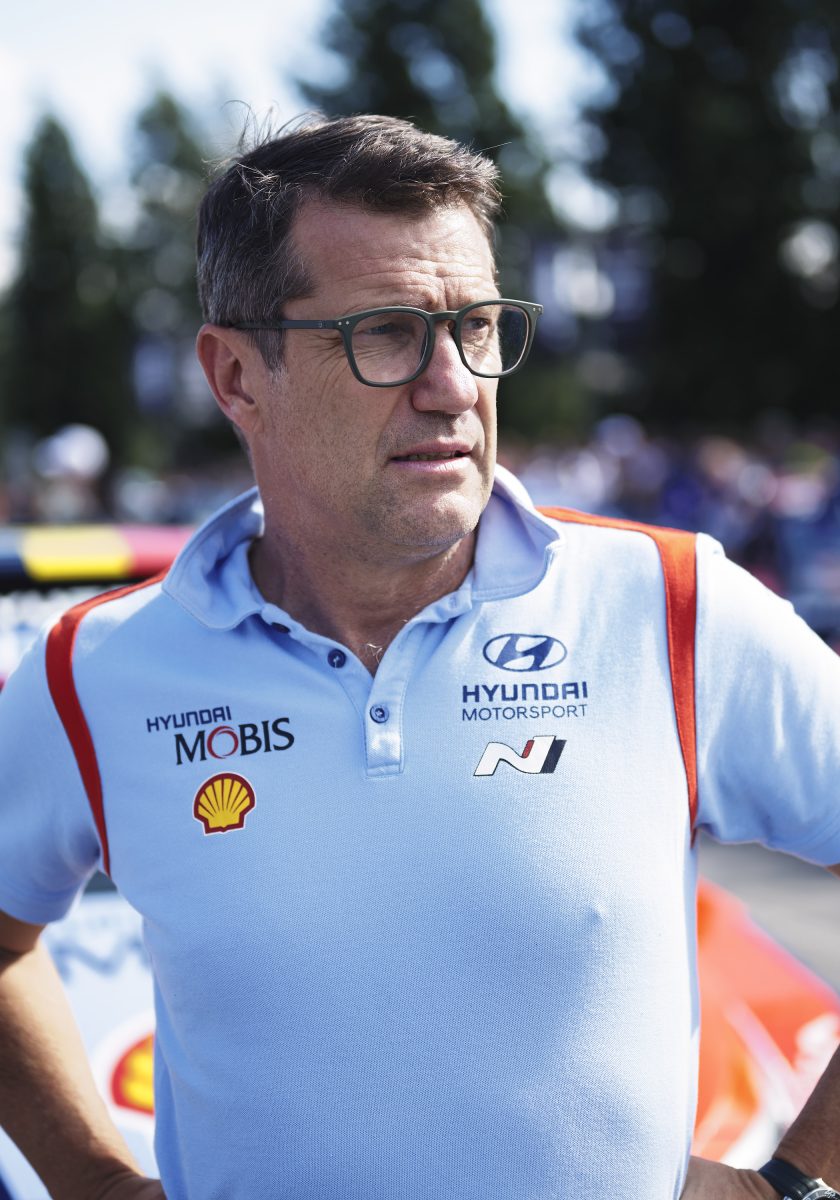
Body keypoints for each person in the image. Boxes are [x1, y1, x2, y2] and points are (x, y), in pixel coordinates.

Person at [0, 113, 838, 1200]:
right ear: (236, 374)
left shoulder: (672, 607)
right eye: (387, 333)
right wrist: (93, 1181)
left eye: (478, 326)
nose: (453, 383)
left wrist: (797, 1184)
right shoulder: (95, 671)